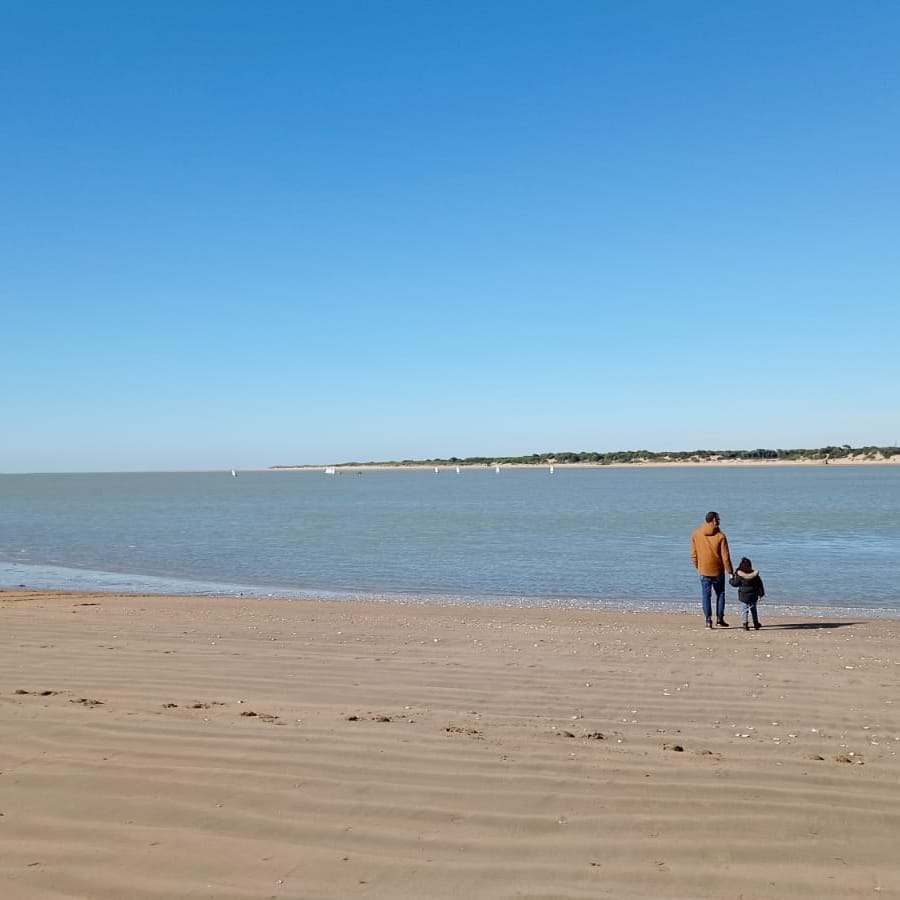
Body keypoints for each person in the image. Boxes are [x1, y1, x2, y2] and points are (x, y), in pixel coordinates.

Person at [690, 511, 734, 628]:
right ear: (714, 520)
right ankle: (719, 619)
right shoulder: (720, 536)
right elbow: (726, 557)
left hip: (703, 570)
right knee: (720, 594)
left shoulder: (696, 533)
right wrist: (730, 571)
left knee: (706, 595)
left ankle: (708, 620)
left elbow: (693, 555)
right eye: (718, 519)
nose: (719, 522)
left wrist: (698, 567)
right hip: (718, 571)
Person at [729, 557, 765, 631]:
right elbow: (760, 585)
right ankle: (756, 623)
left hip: (743, 596)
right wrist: (761, 594)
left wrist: (731, 579)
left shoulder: (740, 576)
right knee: (753, 610)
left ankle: (745, 624)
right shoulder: (755, 576)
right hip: (753, 595)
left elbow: (734, 584)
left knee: (744, 610)